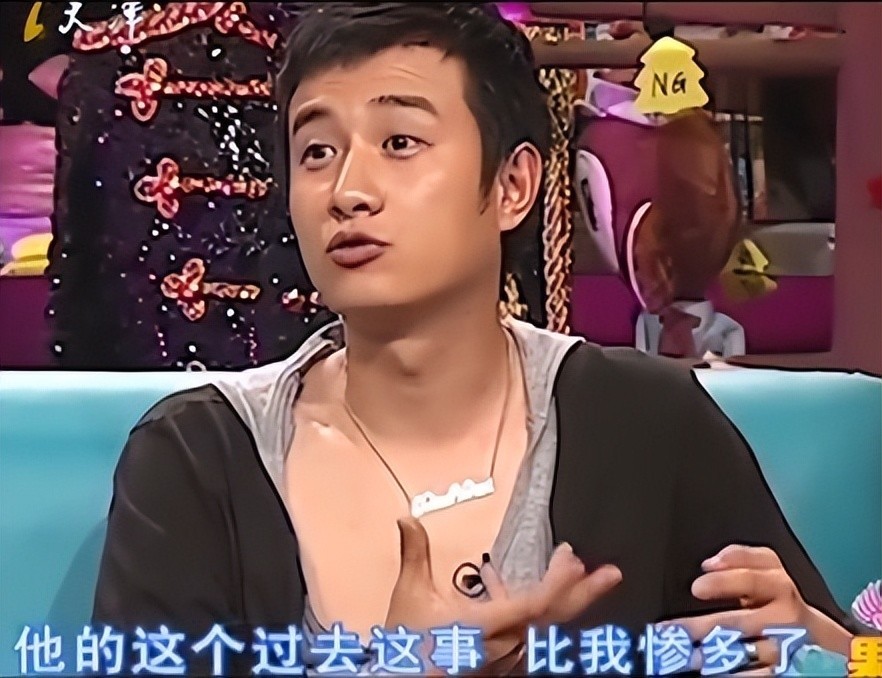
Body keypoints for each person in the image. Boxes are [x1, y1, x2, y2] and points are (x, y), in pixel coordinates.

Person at [92, 3, 859, 675]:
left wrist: (828, 651)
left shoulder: (646, 422)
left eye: (400, 142)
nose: (348, 191)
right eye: (317, 152)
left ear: (512, 186)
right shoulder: (196, 456)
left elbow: (860, 654)